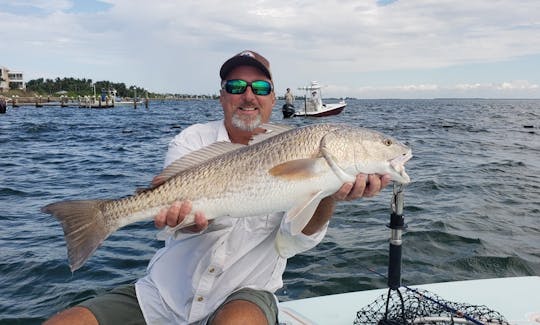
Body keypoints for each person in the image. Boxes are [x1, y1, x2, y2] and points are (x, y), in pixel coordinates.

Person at [45, 50, 390, 325]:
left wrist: (329, 193)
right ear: (222, 95)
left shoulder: (303, 147)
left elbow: (291, 242)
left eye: (261, 88)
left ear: (273, 98)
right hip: (163, 294)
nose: (249, 96)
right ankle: (102, 216)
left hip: (246, 291)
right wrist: (185, 221)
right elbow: (173, 219)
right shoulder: (192, 140)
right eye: (237, 87)